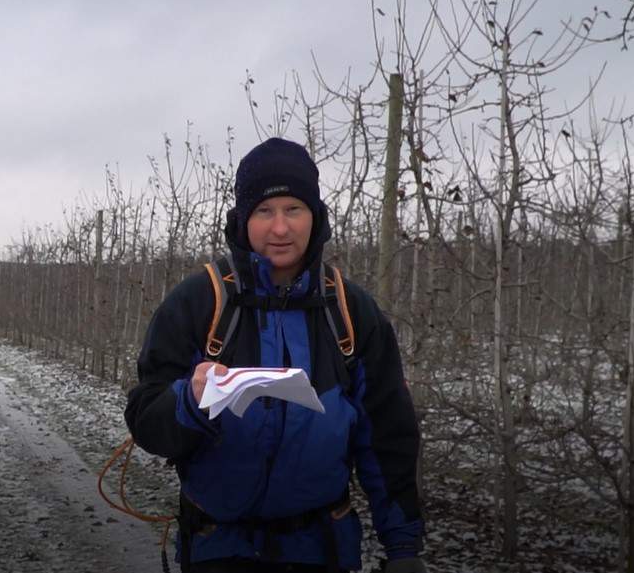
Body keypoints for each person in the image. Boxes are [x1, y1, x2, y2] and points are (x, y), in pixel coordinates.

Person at [125, 138, 426, 573]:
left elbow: (387, 436)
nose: (280, 228)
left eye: (294, 209)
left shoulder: (350, 311)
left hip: (321, 550)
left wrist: (403, 548)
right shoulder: (198, 302)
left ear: (315, 216)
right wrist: (188, 401)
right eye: (264, 211)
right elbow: (146, 422)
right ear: (242, 219)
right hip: (218, 549)